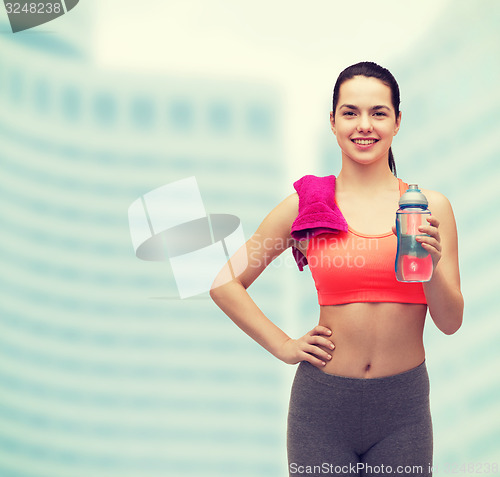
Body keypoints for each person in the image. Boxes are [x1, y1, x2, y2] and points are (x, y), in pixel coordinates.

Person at [209, 61, 463, 477]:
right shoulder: (306, 206)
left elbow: (450, 323)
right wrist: (284, 345)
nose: (364, 125)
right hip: (322, 407)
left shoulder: (429, 208)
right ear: (332, 121)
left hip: (403, 409)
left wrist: (431, 267)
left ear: (398, 122)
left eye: (379, 112)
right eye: (350, 112)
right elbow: (225, 282)